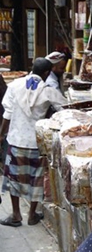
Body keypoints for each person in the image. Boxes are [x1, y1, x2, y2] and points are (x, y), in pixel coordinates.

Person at [0, 58, 65, 226]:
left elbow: (7, 113)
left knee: (14, 178)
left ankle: (16, 215)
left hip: (16, 139)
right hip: (37, 142)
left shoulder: (15, 85)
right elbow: (64, 110)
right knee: (36, 179)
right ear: (46, 73)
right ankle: (31, 215)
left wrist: (1, 135)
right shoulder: (48, 91)